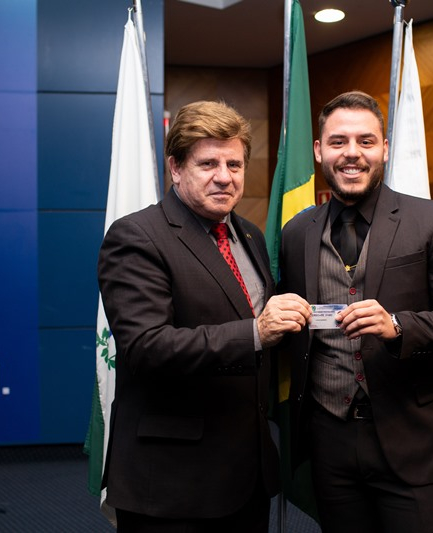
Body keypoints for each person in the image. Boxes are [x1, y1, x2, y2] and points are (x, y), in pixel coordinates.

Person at [97, 100, 312, 532]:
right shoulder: (137, 236)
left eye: (235, 164)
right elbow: (146, 347)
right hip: (173, 484)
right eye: (208, 163)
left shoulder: (248, 234)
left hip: (247, 476)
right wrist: (256, 332)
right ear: (176, 168)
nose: (224, 176)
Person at [278, 91, 433, 533]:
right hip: (329, 439)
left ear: (385, 149)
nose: (352, 153)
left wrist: (398, 325)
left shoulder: (429, 219)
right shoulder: (296, 233)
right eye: (338, 141)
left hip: (412, 437)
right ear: (318, 150)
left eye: (366, 141)